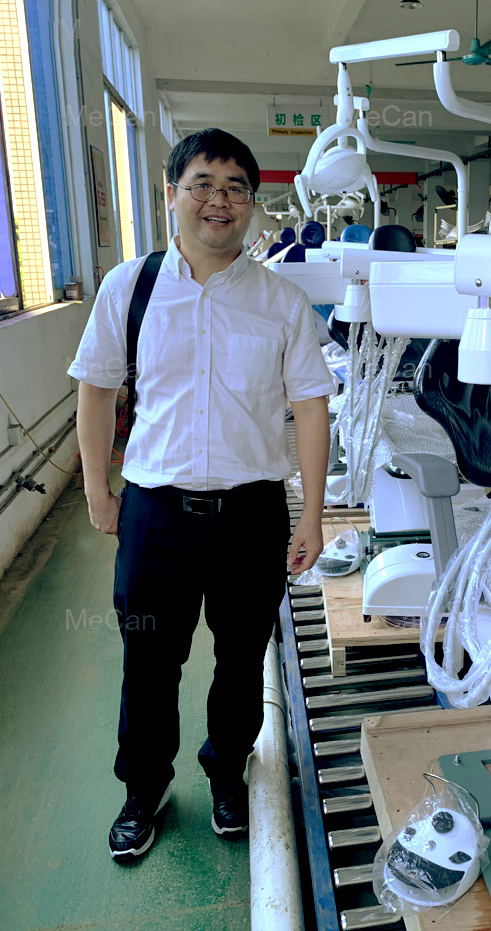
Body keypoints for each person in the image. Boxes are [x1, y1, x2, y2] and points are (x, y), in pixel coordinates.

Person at [68, 128, 334, 862]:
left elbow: (311, 407)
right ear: (171, 195)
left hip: (251, 515)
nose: (219, 200)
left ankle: (226, 773)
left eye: (235, 188)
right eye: (203, 185)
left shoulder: (281, 301)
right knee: (149, 662)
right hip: (156, 514)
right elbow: (96, 389)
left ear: (252, 202)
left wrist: (311, 514)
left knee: (242, 660)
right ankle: (143, 789)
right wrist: (98, 489)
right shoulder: (131, 287)